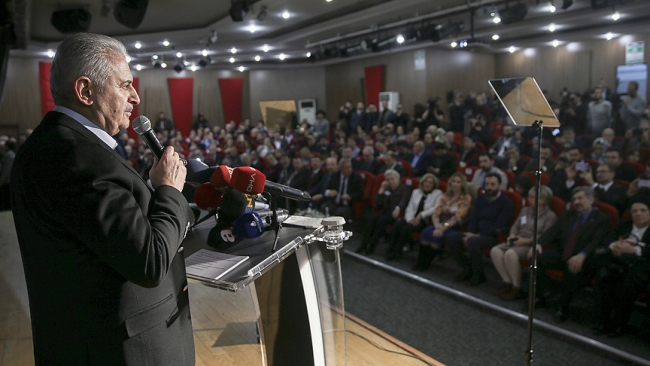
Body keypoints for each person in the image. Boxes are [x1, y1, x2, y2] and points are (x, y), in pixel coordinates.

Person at [10, 33, 195, 365]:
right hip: (116, 350)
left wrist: (156, 193)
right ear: (85, 91)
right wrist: (168, 190)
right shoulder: (77, 158)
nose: (135, 96)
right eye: (125, 85)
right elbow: (149, 263)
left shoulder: (55, 145)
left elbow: (106, 239)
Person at [530, 186, 610, 323]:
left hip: (583, 258)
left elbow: (597, 241)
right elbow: (552, 231)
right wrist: (538, 243)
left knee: (572, 268)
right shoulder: (568, 214)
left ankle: (563, 307)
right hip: (562, 252)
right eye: (574, 199)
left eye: (580, 198)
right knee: (536, 259)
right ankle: (540, 297)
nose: (576, 202)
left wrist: (582, 255)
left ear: (591, 200)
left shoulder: (601, 219)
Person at [592, 199, 650, 337]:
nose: (638, 214)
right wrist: (615, 246)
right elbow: (608, 240)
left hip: (642, 266)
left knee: (627, 285)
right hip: (619, 261)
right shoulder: (625, 225)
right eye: (634, 211)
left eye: (643, 210)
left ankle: (618, 324)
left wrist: (634, 250)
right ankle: (601, 320)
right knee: (604, 276)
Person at [490, 186, 558, 300]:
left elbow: (544, 237)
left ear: (542, 200)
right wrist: (512, 237)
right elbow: (515, 226)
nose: (529, 199)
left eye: (533, 197)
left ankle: (517, 287)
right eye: (529, 197)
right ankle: (507, 282)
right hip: (517, 240)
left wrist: (524, 241)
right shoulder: (525, 210)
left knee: (510, 254)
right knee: (495, 251)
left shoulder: (550, 216)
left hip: (531, 245)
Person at [447, 173, 513, 286]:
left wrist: (477, 235)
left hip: (492, 236)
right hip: (475, 233)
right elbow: (474, 218)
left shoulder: (505, 202)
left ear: (499, 186)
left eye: (492, 184)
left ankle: (479, 275)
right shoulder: (481, 198)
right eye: (487, 184)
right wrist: (470, 232)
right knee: (451, 237)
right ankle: (467, 268)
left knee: (473, 242)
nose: (489, 187)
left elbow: (500, 225)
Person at [414, 172, 473, 271]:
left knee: (436, 236)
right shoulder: (446, 195)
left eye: (458, 182)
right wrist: (437, 225)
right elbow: (437, 212)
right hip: (439, 223)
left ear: (462, 184)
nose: (455, 184)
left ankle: (425, 264)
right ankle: (420, 262)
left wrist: (443, 227)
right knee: (426, 232)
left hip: (454, 226)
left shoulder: (466, 198)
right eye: (453, 181)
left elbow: (457, 217)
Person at [386, 174, 443, 260]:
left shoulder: (438, 193)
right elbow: (410, 208)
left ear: (434, 185)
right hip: (411, 218)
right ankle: (390, 250)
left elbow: (435, 208)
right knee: (397, 225)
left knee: (407, 229)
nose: (427, 184)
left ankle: (397, 251)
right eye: (426, 182)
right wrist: (410, 219)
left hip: (424, 220)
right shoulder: (416, 192)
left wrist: (420, 215)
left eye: (430, 183)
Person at [356, 169, 410, 255]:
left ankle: (371, 247)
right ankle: (363, 245)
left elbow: (404, 201)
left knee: (380, 222)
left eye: (392, 179)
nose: (390, 181)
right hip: (385, 212)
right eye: (388, 180)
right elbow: (377, 203)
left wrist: (398, 208)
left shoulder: (404, 188)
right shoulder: (387, 188)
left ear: (398, 178)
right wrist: (381, 189)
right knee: (372, 220)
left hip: (397, 214)